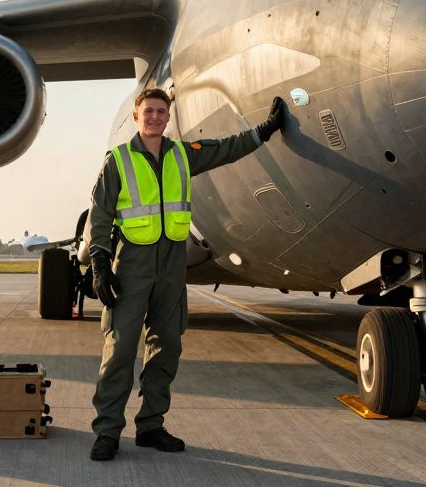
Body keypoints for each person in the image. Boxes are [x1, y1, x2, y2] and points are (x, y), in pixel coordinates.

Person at [88, 87, 287, 462]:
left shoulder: (181, 154)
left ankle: (150, 426)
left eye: (161, 112)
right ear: (136, 116)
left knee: (168, 346)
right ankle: (107, 431)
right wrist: (99, 263)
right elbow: (100, 213)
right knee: (120, 350)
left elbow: (225, 149)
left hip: (171, 266)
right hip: (132, 263)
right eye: (148, 112)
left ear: (168, 117)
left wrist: (264, 131)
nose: (155, 118)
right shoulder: (118, 160)